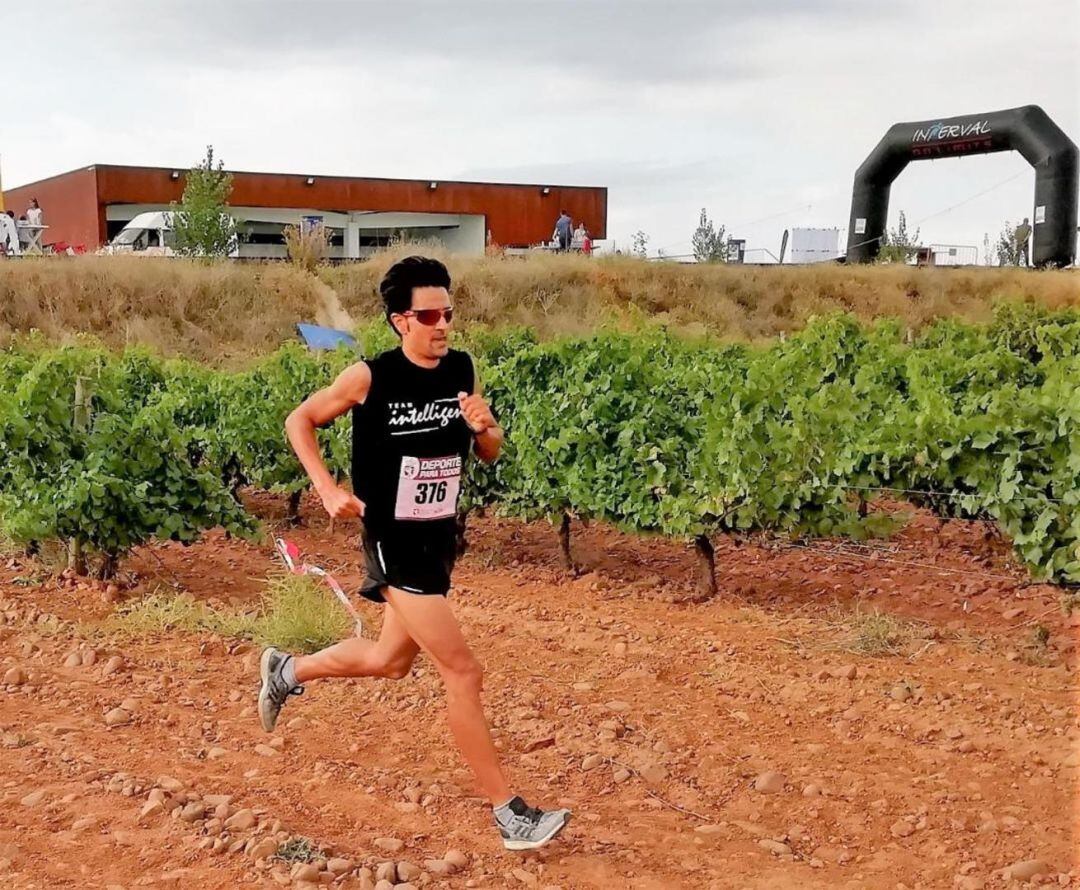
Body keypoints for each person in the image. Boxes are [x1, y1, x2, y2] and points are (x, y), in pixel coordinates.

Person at [258, 256, 572, 851]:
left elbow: (489, 453)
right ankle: (510, 814)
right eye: (430, 314)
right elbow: (299, 421)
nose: (443, 324)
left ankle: (287, 670)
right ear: (401, 320)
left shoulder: (460, 368)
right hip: (392, 540)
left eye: (448, 312)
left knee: (389, 660)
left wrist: (485, 429)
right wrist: (327, 489)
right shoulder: (368, 378)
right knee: (463, 670)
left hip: (438, 539)